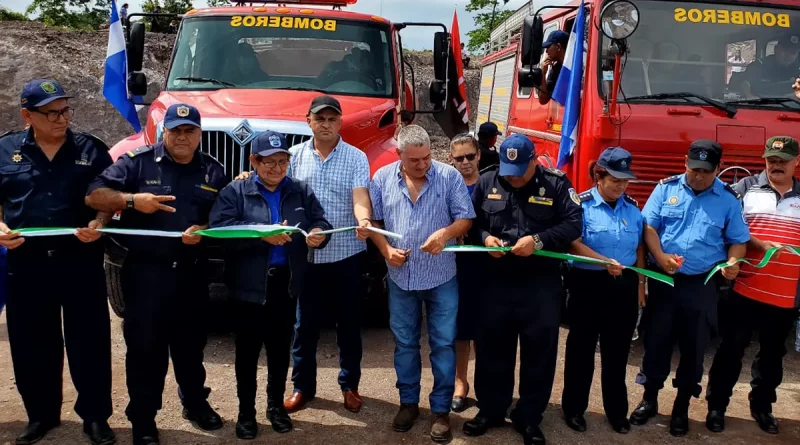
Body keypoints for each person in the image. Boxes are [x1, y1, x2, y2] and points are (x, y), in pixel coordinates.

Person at [85, 104, 229, 445]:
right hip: (146, 275)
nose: (182, 137)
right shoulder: (138, 162)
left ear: (199, 134)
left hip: (191, 275)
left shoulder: (212, 170)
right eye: (175, 130)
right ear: (164, 132)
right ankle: (143, 418)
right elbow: (95, 196)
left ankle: (194, 403)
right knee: (145, 350)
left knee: (191, 347)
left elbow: (226, 216)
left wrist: (206, 230)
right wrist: (133, 200)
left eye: (189, 130)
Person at [0, 79, 115, 445]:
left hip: (79, 259)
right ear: (27, 116)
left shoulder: (91, 149)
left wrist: (100, 224)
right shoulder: (4, 151)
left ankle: (95, 417)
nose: (62, 119)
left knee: (90, 341)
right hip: (26, 262)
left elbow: (107, 200)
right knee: (32, 342)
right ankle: (41, 415)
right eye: (52, 113)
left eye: (65, 110)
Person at [209, 131, 332, 440]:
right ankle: (246, 414)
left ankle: (275, 407)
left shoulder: (299, 191)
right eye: (269, 163)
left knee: (279, 352)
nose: (277, 169)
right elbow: (219, 230)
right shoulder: (236, 192)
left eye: (282, 162)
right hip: (249, 287)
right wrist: (258, 234)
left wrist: (319, 233)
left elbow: (321, 221)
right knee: (247, 353)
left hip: (285, 286)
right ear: (254, 161)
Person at [464, 134, 583, 445]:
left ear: (533, 161)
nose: (512, 177)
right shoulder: (489, 180)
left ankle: (529, 416)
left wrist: (539, 241)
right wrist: (486, 238)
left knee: (538, 354)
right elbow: (470, 222)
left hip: (539, 285)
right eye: (508, 170)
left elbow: (574, 224)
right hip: (495, 283)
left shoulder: (556, 184)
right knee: (492, 350)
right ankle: (490, 409)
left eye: (519, 170)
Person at [631, 139, 750, 437]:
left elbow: (738, 239)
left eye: (705, 171)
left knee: (694, 347)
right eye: (693, 168)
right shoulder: (666, 189)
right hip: (664, 281)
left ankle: (682, 406)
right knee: (656, 342)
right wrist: (659, 256)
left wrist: (734, 262)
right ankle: (650, 399)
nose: (697, 175)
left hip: (702, 284)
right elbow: (649, 227)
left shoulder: (727, 199)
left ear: (718, 169)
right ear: (685, 162)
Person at [368, 125, 474, 443]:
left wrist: (445, 233)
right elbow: (373, 221)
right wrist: (385, 250)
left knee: (442, 344)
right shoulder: (382, 179)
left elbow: (465, 218)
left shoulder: (448, 176)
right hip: (402, 278)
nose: (422, 164)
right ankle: (408, 404)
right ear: (399, 155)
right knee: (405, 344)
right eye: (414, 160)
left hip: (441, 276)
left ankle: (441, 411)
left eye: (426, 157)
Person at [284, 95, 373, 415]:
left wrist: (363, 219)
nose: (325, 124)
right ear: (308, 120)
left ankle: (350, 386)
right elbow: (287, 200)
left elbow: (360, 196)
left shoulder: (356, 157)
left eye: (332, 119)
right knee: (303, 326)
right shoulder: (293, 156)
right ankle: (302, 388)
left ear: (340, 122)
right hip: (306, 258)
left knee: (348, 325)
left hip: (346, 254)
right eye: (319, 118)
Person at [705, 136, 800, 435]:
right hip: (745, 290)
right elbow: (724, 226)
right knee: (731, 350)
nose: (776, 165)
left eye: (783, 160)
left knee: (772, 356)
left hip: (786, 296)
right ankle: (716, 406)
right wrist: (758, 244)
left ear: (796, 162)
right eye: (771, 160)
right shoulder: (744, 190)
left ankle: (762, 407)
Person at [561, 147, 644, 435]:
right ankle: (573, 409)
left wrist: (641, 285)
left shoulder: (633, 209)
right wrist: (602, 261)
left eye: (625, 180)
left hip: (623, 287)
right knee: (581, 351)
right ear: (599, 176)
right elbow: (573, 242)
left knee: (617, 353)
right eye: (615, 179)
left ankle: (617, 412)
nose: (621, 185)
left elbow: (640, 246)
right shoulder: (580, 205)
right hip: (587, 285)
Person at [448, 134, 483, 413]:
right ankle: (461, 382)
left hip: (487, 267)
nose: (465, 163)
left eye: (470, 156)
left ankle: (485, 383)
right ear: (451, 160)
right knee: (459, 330)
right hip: (455, 266)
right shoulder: (446, 184)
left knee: (486, 329)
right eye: (459, 158)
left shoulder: (492, 184)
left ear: (479, 155)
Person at [538, 30, 569, 105]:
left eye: (548, 47)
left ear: (558, 47)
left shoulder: (576, 65)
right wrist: (543, 73)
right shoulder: (555, 70)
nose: (546, 51)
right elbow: (543, 100)